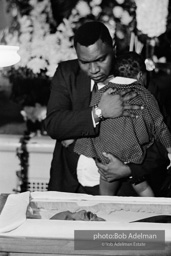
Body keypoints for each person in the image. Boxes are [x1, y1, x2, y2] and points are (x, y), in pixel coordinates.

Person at [45, 21, 169, 196]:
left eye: (101, 59)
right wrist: (99, 112)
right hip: (71, 188)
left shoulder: (136, 77)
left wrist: (129, 169)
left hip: (124, 191)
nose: (94, 69)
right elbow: (54, 124)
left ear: (114, 49)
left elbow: (162, 140)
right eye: (84, 62)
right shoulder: (67, 72)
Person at [72, 51, 171, 197]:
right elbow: (159, 125)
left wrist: (91, 151)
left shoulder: (102, 94)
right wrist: (169, 147)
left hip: (108, 155)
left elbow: (92, 121)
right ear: (140, 76)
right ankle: (153, 212)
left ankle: (106, 214)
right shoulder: (146, 95)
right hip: (135, 155)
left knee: (106, 195)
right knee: (143, 189)